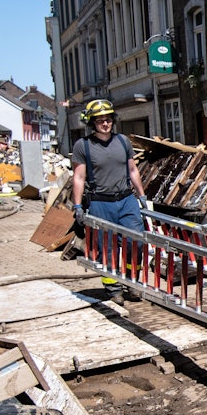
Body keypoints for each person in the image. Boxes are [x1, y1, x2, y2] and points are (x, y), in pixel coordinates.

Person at [71, 99, 148, 305]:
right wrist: (77, 205)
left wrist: (142, 196)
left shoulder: (123, 141)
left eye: (108, 120)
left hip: (126, 200)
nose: (105, 124)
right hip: (100, 203)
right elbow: (78, 177)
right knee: (106, 248)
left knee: (136, 242)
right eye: (100, 121)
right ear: (92, 123)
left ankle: (132, 283)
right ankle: (113, 288)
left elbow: (133, 170)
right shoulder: (83, 146)